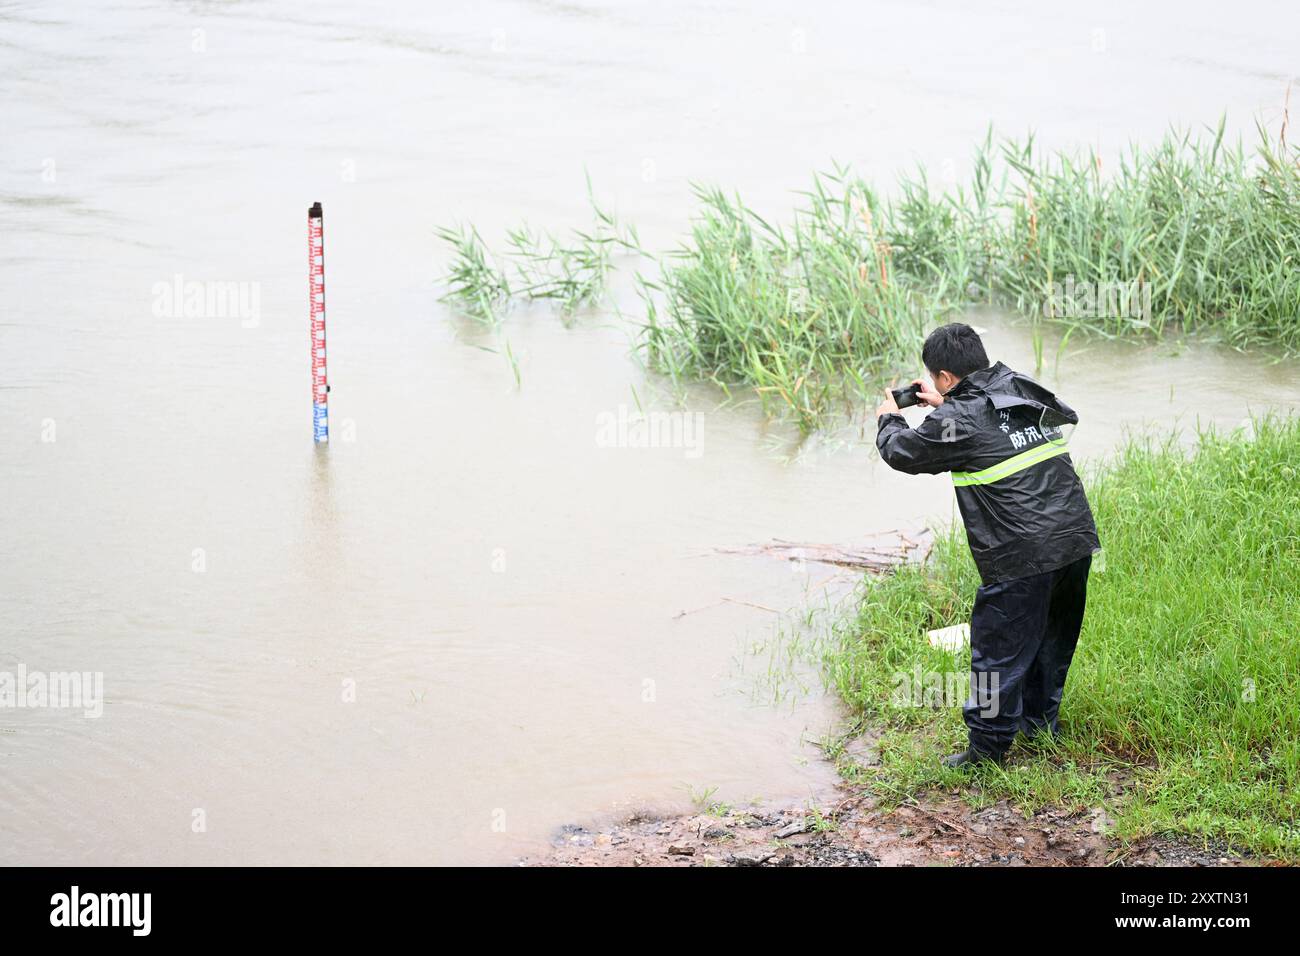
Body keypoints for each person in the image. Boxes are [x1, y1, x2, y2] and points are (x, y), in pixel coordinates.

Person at [875, 323, 1100, 767]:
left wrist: (889, 417)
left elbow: (903, 451)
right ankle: (1039, 726)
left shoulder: (957, 419)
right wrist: (947, 404)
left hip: (1021, 554)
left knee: (997, 652)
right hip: (1073, 538)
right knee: (1051, 640)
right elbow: (989, 424)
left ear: (943, 376)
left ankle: (987, 751)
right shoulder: (1016, 385)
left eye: (938, 382)